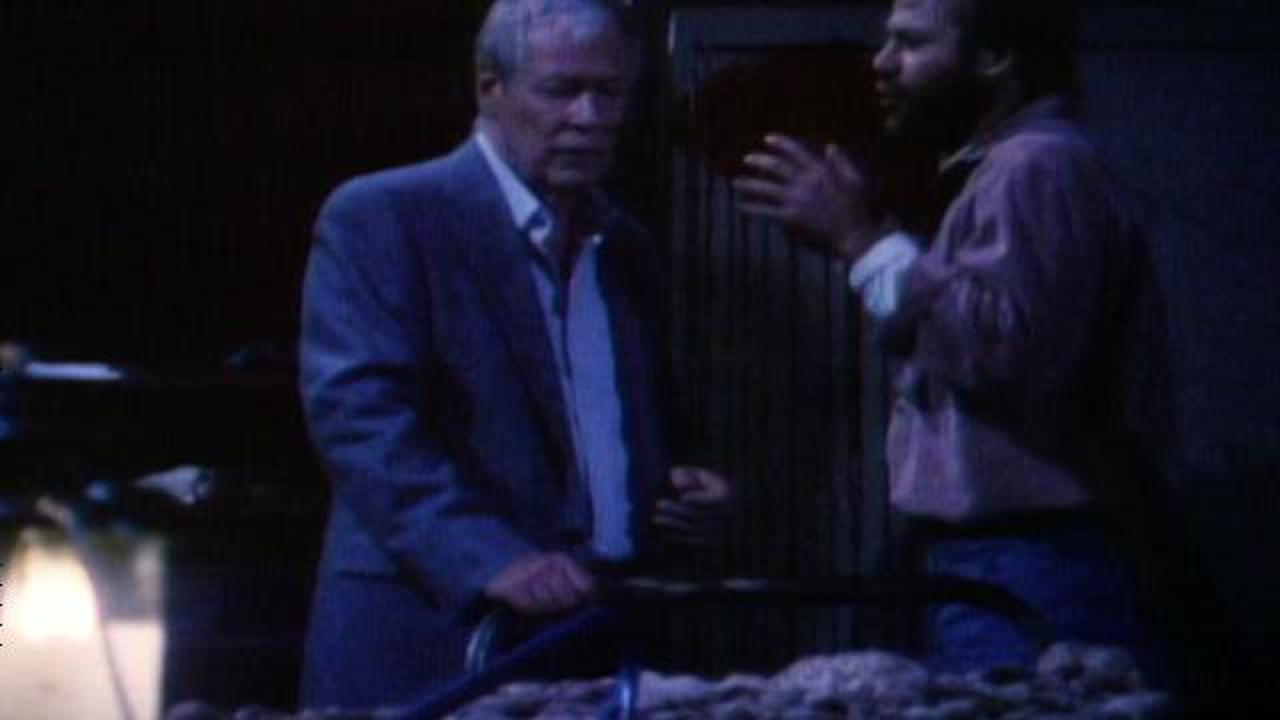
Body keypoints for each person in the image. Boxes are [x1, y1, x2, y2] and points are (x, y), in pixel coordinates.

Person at [297, 0, 730, 710]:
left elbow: (615, 423)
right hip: (433, 631)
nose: (590, 118)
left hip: (594, 635)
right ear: (489, 88)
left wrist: (676, 492)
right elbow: (361, 421)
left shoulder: (626, 248)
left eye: (610, 92)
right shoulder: (387, 216)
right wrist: (489, 558)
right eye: (562, 91)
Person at [735, 0, 1172, 680]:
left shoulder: (1036, 167)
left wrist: (861, 240)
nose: (882, 63)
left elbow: (1007, 352)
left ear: (993, 58)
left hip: (1030, 561)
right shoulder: (1007, 168)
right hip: (1006, 557)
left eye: (911, 44)